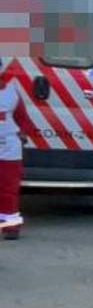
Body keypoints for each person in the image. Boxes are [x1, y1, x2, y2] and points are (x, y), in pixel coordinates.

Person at [0, 78, 33, 240]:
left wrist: (22, 134)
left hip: (8, 149)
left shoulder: (11, 92)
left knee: (8, 189)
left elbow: (23, 120)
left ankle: (11, 226)